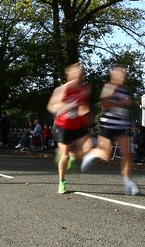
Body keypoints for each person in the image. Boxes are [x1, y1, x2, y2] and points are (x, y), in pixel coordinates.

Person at [81, 64, 139, 196]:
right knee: (106, 155)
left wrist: (129, 103)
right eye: (121, 73)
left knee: (127, 155)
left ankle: (128, 183)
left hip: (121, 126)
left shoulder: (124, 90)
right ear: (114, 75)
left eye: (125, 73)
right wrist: (121, 102)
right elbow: (104, 104)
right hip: (107, 125)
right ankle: (91, 154)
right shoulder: (109, 87)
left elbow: (127, 104)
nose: (124, 75)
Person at [47, 62, 92, 194]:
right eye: (76, 70)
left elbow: (83, 106)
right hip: (63, 126)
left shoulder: (85, 89)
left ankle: (72, 155)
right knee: (65, 156)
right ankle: (62, 181)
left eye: (81, 70)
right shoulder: (62, 89)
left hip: (78, 125)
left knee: (87, 149)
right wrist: (61, 106)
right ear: (69, 74)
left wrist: (86, 113)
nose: (79, 72)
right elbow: (51, 107)